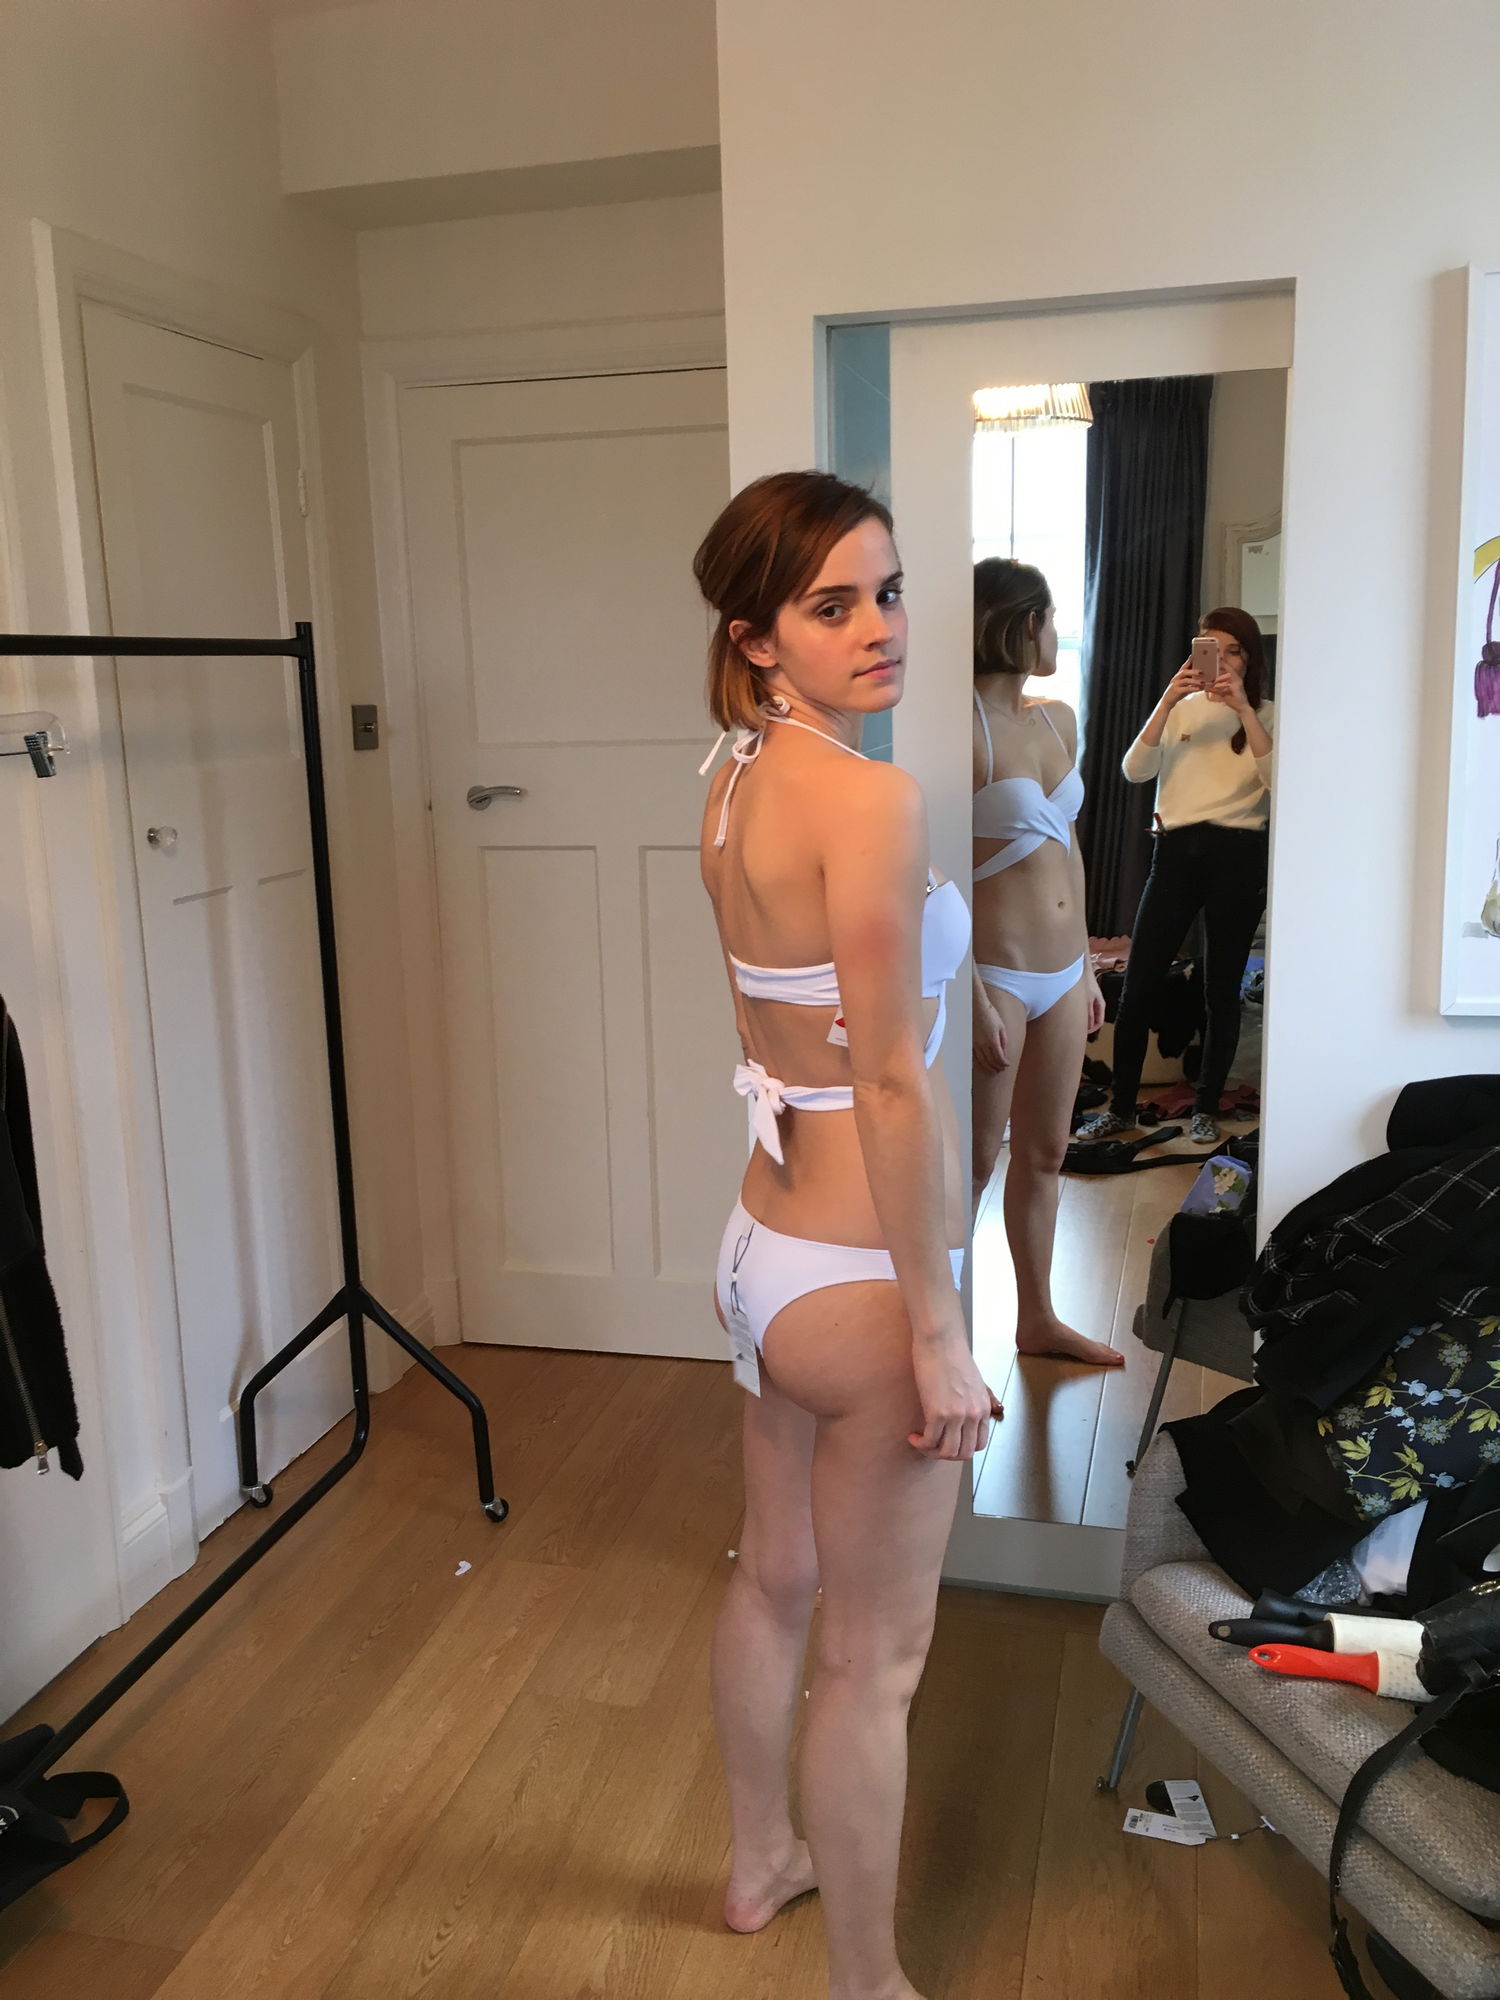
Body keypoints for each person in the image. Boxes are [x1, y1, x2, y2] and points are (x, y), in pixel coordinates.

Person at [695, 471, 1002, 2000]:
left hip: (763, 1255)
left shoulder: (736, 777)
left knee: (773, 1579)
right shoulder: (872, 801)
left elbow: (798, 1019)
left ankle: (763, 1859)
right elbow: (886, 1078)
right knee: (874, 1663)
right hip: (860, 1285)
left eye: (887, 591)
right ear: (759, 638)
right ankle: (869, 1983)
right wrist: (939, 1332)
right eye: (833, 606)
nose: (878, 627)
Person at [970, 559, 1120, 1369]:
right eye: (1052, 618)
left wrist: (1089, 964)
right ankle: (944, 1345)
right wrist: (967, 994)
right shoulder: (960, 727)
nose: (1057, 634)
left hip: (1064, 972)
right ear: (1025, 623)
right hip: (995, 972)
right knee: (974, 1164)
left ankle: (1038, 1320)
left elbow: (1068, 848)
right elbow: (927, 872)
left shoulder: (1056, 720)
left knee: (1046, 1154)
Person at [1077, 606, 1274, 1148]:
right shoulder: (1181, 708)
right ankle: (1121, 1107)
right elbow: (1134, 770)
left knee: (1220, 988)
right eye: (1211, 649)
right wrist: (1166, 700)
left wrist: (1245, 710)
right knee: (1139, 983)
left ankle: (1207, 1106)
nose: (1222, 661)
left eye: (1233, 651)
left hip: (1239, 857)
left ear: (1250, 659)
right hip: (1175, 853)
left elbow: (1278, 780)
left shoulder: (1268, 713)